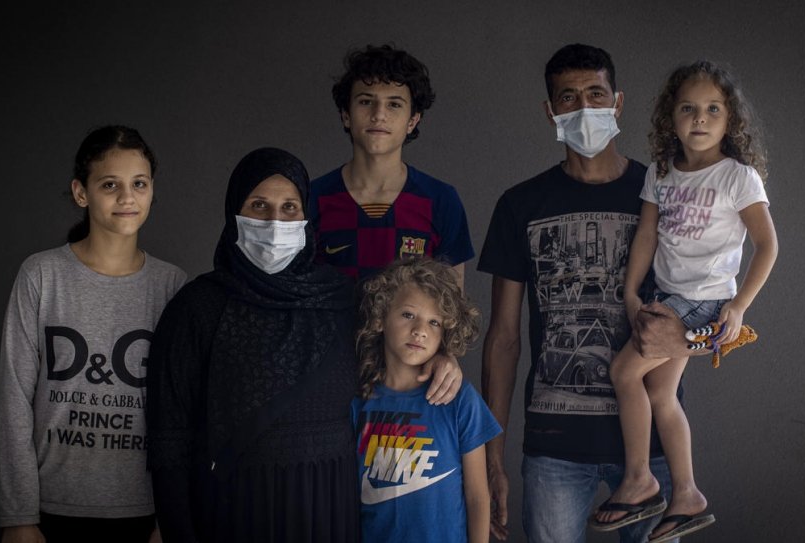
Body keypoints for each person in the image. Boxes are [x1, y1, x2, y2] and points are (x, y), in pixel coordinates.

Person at [145, 147, 462, 543]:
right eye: (258, 205)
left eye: (290, 207)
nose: (275, 221)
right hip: (231, 509)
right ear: (233, 213)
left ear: (307, 218)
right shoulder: (197, 308)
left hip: (328, 506)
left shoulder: (345, 301)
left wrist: (445, 359)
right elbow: (168, 438)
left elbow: (402, 356)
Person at [477, 43, 678, 543]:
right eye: (568, 98)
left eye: (596, 94)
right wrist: (492, 455)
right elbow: (503, 338)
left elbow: (705, 287)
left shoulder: (663, 193)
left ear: (618, 102)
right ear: (550, 111)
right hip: (554, 446)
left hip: (653, 443)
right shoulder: (520, 205)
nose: (584, 108)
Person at [595, 60, 778, 542]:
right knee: (658, 393)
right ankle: (687, 494)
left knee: (622, 373)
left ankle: (638, 480)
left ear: (730, 120)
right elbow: (646, 235)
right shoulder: (661, 173)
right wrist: (632, 292)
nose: (700, 118)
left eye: (713, 109)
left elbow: (768, 246)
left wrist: (738, 306)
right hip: (663, 297)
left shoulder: (738, 178)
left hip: (701, 301)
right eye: (688, 108)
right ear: (670, 118)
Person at [0, 125, 187, 543]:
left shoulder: (171, 286)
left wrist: (169, 517)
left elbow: (181, 416)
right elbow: (14, 403)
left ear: (152, 190)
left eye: (139, 183)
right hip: (50, 510)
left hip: (142, 511)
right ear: (81, 193)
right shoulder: (41, 275)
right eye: (109, 185)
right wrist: (18, 516)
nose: (127, 197)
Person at [352, 258, 501, 542]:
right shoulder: (359, 402)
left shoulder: (460, 400)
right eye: (409, 315)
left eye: (434, 322)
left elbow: (478, 496)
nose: (421, 330)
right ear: (380, 317)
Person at [308, 43, 475, 284]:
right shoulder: (311, 199)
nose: (379, 114)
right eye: (366, 101)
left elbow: (451, 310)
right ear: (346, 114)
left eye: (394, 104)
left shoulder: (441, 200)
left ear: (412, 120)